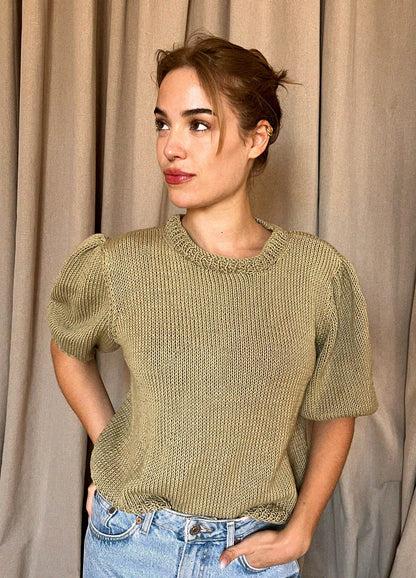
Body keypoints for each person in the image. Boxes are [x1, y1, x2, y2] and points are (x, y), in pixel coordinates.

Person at [48, 34, 378, 577]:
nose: (171, 147)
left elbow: (337, 407)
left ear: (256, 138)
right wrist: (113, 451)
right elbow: (68, 346)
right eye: (163, 124)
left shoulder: (317, 274)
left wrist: (301, 529)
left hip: (250, 554)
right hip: (132, 544)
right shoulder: (122, 263)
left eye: (198, 125)